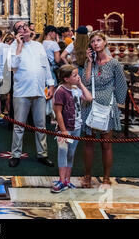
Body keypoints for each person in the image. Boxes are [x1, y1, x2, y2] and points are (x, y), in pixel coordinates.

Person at [81, 31, 127, 188]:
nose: (95, 43)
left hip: (107, 107)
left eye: (98, 40)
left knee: (106, 144)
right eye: (92, 41)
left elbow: (121, 85)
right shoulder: (89, 63)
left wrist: (118, 104)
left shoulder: (114, 63)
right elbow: (86, 82)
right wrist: (89, 62)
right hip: (90, 106)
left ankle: (106, 178)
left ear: (105, 42)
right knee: (88, 143)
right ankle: (87, 175)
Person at [8, 21, 55, 168]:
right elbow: (12, 66)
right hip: (21, 92)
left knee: (41, 125)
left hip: (39, 90)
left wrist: (51, 83)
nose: (24, 28)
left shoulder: (38, 46)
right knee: (19, 126)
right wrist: (19, 46)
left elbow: (46, 66)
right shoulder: (13, 47)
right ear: (16, 32)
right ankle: (16, 154)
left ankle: (43, 154)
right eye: (20, 28)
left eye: (25, 25)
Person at [51, 65, 92, 193]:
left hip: (76, 127)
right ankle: (62, 180)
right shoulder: (60, 91)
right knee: (63, 153)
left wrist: (80, 84)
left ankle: (67, 180)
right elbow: (58, 112)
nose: (78, 77)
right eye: (75, 75)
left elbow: (89, 98)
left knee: (71, 154)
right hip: (65, 129)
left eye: (77, 74)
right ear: (66, 78)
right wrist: (63, 131)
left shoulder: (75, 89)